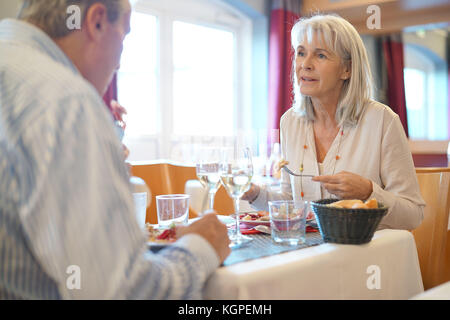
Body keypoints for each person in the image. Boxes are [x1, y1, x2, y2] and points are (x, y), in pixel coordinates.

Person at [0, 0, 230, 299]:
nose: (119, 63)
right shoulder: (67, 101)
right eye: (125, 36)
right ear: (96, 21)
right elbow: (123, 292)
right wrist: (200, 248)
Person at [242, 14, 425, 230]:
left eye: (320, 55)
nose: (305, 65)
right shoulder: (290, 121)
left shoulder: (382, 121)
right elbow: (292, 202)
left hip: (366, 254)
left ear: (347, 69)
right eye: (301, 53)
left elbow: (413, 215)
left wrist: (368, 192)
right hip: (309, 251)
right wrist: (254, 193)